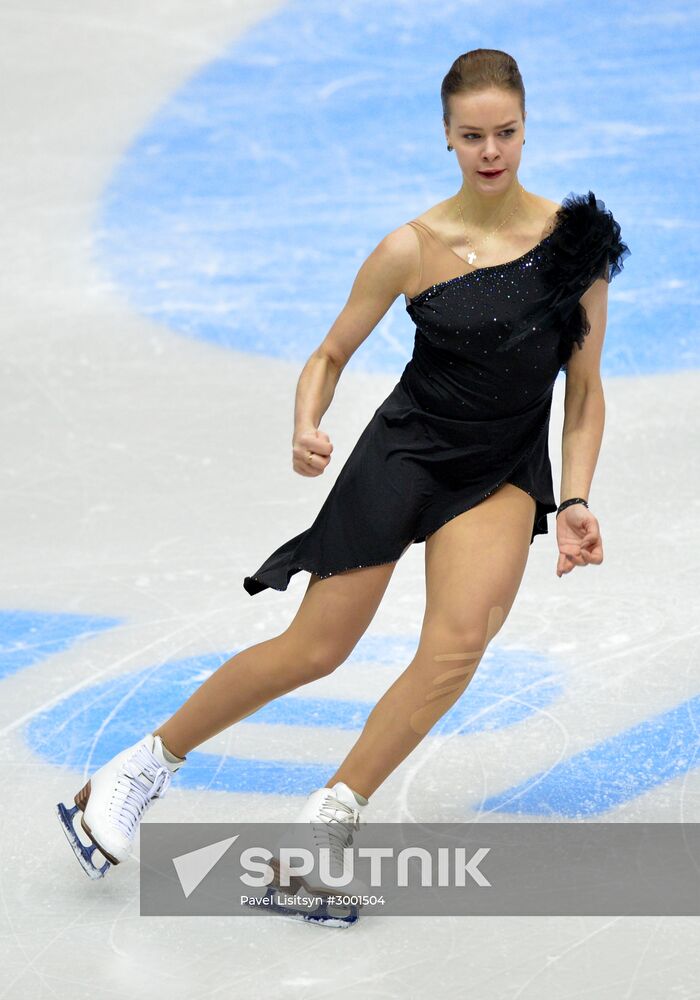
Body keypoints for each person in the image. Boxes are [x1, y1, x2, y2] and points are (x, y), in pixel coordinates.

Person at [57, 49, 630, 888]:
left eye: (505, 132)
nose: (491, 151)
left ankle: (327, 823)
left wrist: (576, 495)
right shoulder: (413, 247)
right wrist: (305, 422)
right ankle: (136, 770)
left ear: (525, 127)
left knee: (458, 645)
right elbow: (329, 353)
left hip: (502, 465)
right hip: (407, 450)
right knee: (315, 649)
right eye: (472, 135)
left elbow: (583, 394)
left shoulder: (576, 247)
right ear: (446, 137)